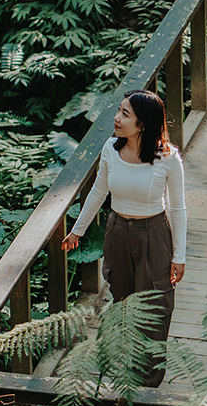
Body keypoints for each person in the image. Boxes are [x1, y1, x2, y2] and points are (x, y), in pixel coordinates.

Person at [62, 89, 186, 388]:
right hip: (118, 232)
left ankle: (149, 382)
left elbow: (178, 208)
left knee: (155, 304)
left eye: (125, 114)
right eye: (119, 111)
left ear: (143, 124)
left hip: (153, 234)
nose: (116, 118)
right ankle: (127, 369)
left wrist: (179, 256)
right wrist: (78, 229)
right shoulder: (110, 148)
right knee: (124, 302)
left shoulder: (168, 158)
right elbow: (98, 191)